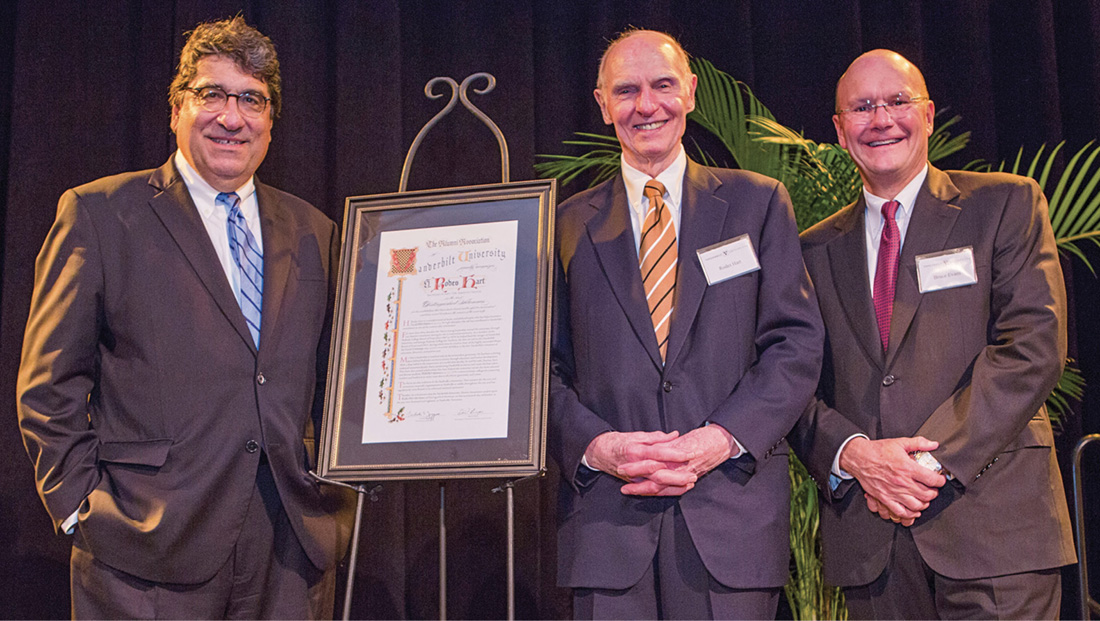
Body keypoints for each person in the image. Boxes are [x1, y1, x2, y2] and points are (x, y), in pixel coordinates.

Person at [16, 16, 355, 619]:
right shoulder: (99, 214)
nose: (232, 116)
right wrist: (77, 507)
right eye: (213, 94)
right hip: (143, 547)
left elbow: (340, 385)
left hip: (288, 547)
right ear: (176, 107)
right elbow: (48, 386)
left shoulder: (318, 232)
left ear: (271, 120)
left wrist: (337, 499)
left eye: (252, 99)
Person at [791, 49, 1076, 619]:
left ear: (927, 114)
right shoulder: (811, 248)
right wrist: (857, 456)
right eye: (862, 107)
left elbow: (1033, 346)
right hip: (873, 544)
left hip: (997, 530)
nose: (881, 119)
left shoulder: (1005, 203)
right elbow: (792, 380)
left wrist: (924, 464)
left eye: (897, 101)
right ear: (840, 130)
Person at [548, 29, 824, 619]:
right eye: (626, 91)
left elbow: (794, 344)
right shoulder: (563, 225)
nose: (646, 106)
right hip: (608, 526)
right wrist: (598, 447)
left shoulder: (759, 203)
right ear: (602, 105)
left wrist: (717, 440)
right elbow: (539, 371)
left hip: (733, 521)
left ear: (691, 93)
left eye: (662, 85)